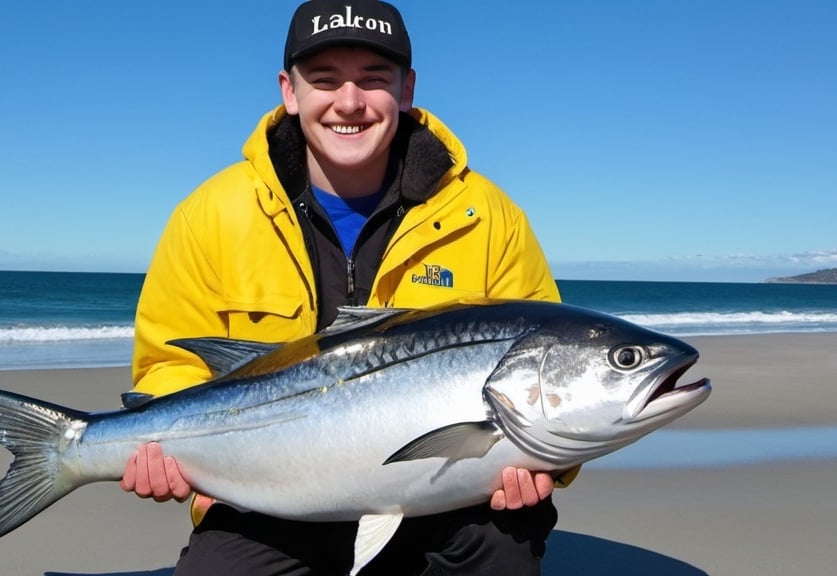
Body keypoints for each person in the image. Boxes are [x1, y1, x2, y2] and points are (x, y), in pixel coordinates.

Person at [121, 1, 574, 574]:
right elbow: (170, 360)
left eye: (374, 79)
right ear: (289, 91)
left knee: (501, 552)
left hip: (447, 496)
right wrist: (175, 452)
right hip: (270, 497)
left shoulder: (488, 216)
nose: (350, 102)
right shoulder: (211, 214)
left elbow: (546, 369)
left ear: (407, 90)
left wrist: (548, 465)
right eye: (326, 79)